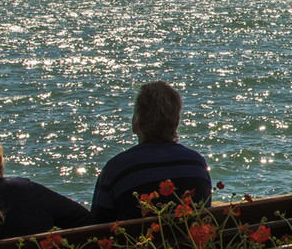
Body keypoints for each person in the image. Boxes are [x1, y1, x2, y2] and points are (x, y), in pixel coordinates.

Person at [90, 81, 212, 223]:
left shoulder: (115, 170)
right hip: (189, 245)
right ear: (176, 123)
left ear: (135, 123)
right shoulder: (196, 165)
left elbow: (97, 228)